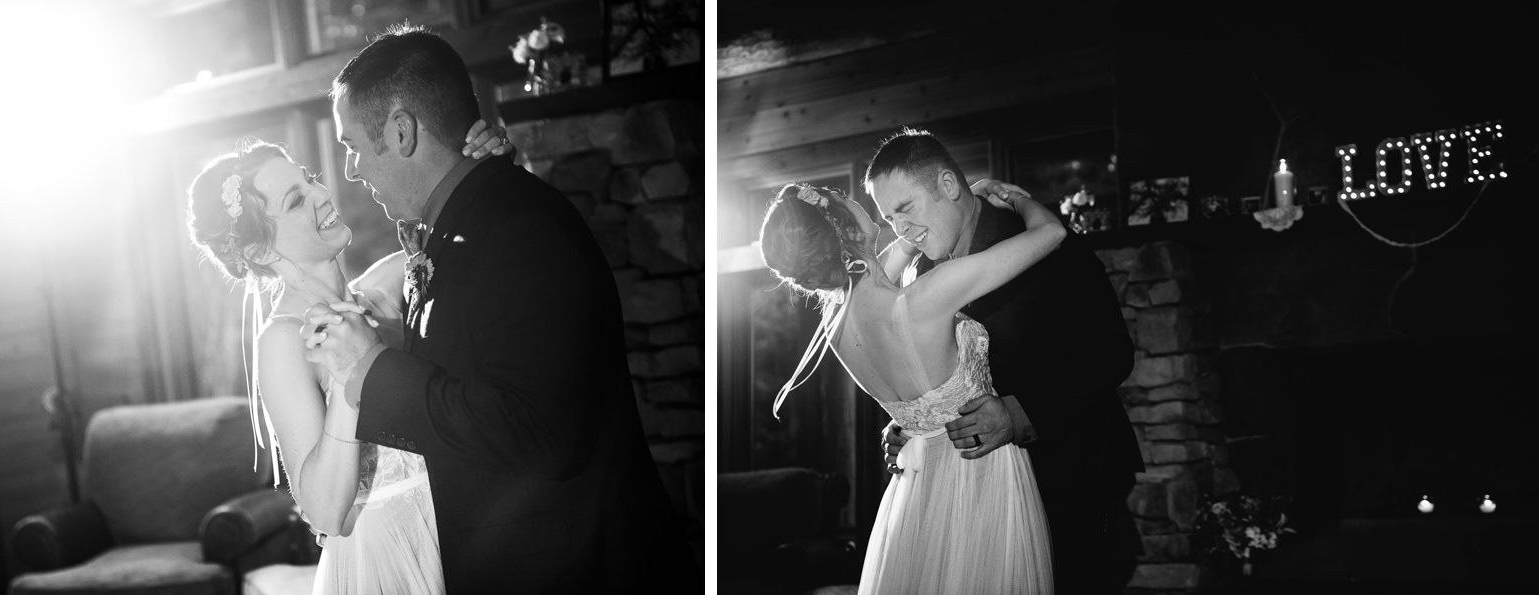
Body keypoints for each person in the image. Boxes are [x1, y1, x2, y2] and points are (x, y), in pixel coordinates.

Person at [298, 25, 690, 594]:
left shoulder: (515, 232)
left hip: (580, 567)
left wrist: (372, 367)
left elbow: (539, 433)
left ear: (403, 131)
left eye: (354, 145)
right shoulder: (467, 223)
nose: (352, 170)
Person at [184, 122, 511, 594]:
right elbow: (324, 511)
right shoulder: (283, 342)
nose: (321, 194)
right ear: (259, 250)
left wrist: (491, 169)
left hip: (469, 529)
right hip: (388, 557)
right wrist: (348, 376)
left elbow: (482, 233)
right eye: (295, 201)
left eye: (308, 179)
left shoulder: (386, 285)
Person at [760, 175, 1066, 593]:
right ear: (844, 228)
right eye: (843, 198)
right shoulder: (926, 298)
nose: (856, 202)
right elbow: (1051, 233)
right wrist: (1012, 199)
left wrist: (967, 195)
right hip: (980, 474)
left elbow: (882, 267)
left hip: (918, 490)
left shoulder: (835, 325)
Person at [871, 129, 1143, 595]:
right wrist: (912, 422)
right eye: (889, 219)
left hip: (1071, 474)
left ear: (948, 186)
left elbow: (1110, 353)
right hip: (977, 497)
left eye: (906, 209)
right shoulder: (920, 270)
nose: (901, 231)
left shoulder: (1038, 244)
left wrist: (1019, 414)